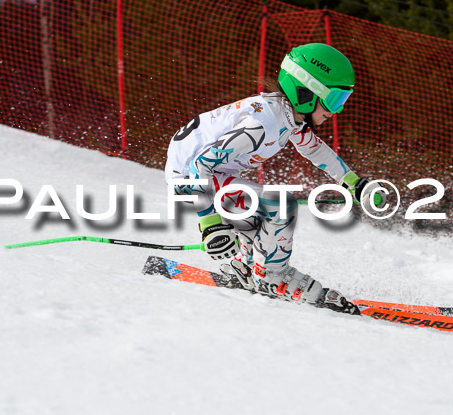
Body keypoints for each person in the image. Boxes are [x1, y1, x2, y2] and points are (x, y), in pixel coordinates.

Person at [164, 43, 387, 314]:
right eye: (334, 100)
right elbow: (202, 164)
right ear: (306, 91)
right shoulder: (264, 123)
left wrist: (354, 182)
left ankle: (247, 268)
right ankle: (272, 277)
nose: (336, 111)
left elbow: (314, 148)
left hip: (208, 176)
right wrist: (210, 224)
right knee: (278, 206)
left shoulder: (287, 116)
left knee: (258, 215)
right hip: (190, 178)